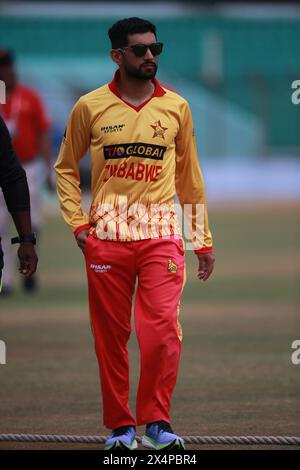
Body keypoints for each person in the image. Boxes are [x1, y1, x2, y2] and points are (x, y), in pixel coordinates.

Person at [54, 17, 215, 451]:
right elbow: (65, 170)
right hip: (106, 236)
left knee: (161, 329)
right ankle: (121, 429)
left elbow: (190, 178)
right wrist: (78, 224)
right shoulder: (89, 106)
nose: (150, 57)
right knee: (111, 337)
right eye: (141, 50)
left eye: (155, 49)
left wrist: (200, 238)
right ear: (117, 56)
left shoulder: (177, 107)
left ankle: (157, 422)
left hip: (162, 235)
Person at [0, 49, 52, 293]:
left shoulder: (29, 96)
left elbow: (43, 131)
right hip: (4, 168)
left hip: (29, 167)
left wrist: (48, 168)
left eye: (8, 68)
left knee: (32, 223)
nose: (6, 73)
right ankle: (7, 280)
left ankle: (29, 268)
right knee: (0, 225)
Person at [0, 116, 38, 292]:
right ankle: (7, 280)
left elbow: (12, 177)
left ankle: (7, 280)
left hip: (30, 163)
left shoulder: (28, 97)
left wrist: (26, 239)